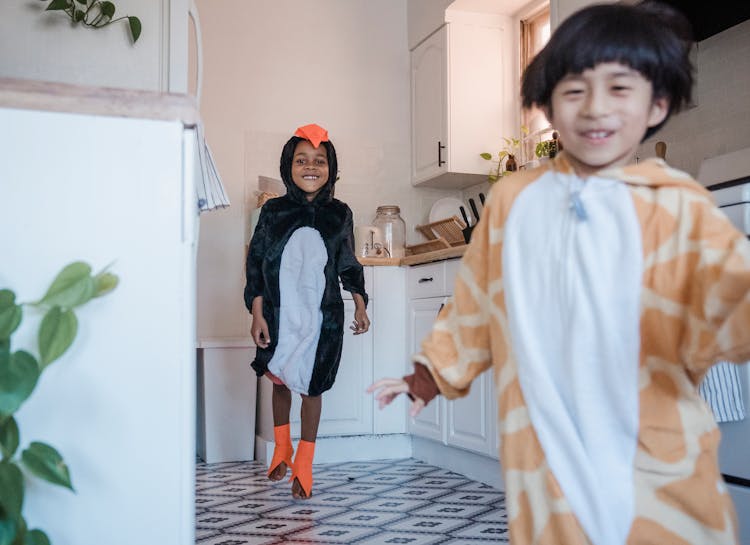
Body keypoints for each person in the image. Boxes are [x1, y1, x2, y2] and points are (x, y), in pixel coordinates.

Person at [368, 3, 750, 544]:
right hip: (546, 457)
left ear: (657, 101)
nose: (595, 108)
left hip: (657, 452)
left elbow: (732, 296)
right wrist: (430, 374)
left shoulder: (679, 204)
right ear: (547, 104)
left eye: (620, 89)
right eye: (574, 91)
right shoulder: (513, 200)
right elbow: (476, 302)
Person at [246, 123, 370, 499]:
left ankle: (304, 460)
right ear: (289, 165)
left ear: (330, 167)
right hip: (280, 315)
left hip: (322, 319)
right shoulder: (273, 212)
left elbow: (348, 263)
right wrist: (256, 311)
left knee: (312, 388)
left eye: (319, 161)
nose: (310, 167)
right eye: (302, 160)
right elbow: (255, 261)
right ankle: (281, 445)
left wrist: (360, 302)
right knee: (279, 379)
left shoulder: (340, 214)